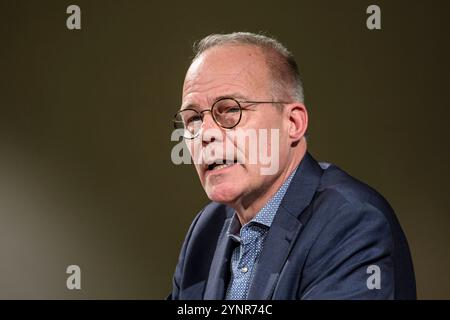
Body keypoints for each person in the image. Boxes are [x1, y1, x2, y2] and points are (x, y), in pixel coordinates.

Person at [169, 32, 416, 299]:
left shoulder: (351, 221)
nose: (205, 133)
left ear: (293, 124)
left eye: (230, 110)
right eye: (192, 118)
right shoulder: (206, 229)